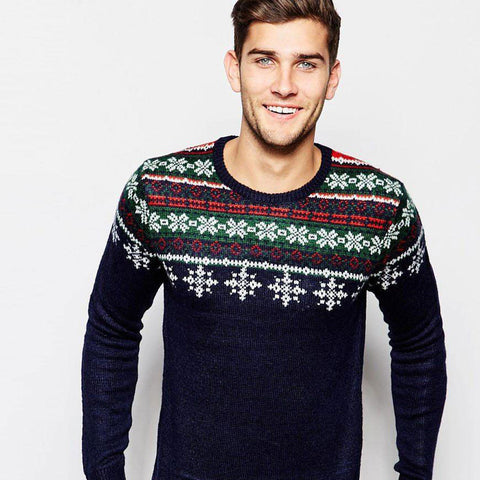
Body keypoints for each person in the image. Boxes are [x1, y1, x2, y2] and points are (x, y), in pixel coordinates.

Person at [81, 1, 448, 479]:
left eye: (306, 64)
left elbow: (420, 343)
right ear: (235, 69)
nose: (284, 85)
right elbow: (111, 328)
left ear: (332, 78)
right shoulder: (160, 192)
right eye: (265, 60)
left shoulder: (378, 205)